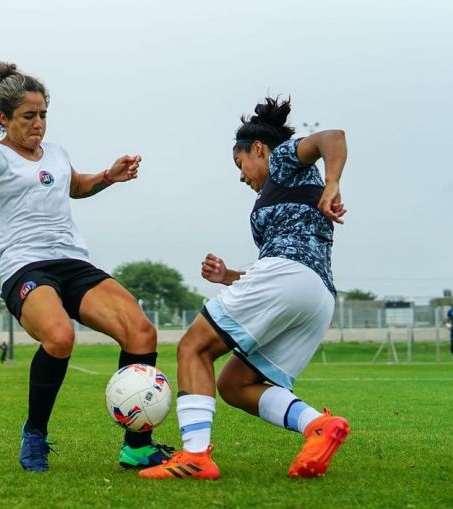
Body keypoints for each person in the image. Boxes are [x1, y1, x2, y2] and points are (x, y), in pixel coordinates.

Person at [0, 60, 169, 472]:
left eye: (42, 114)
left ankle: (137, 446)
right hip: (25, 267)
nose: (38, 123)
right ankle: (35, 434)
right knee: (59, 337)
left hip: (73, 261)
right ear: (3, 117)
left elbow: (75, 186)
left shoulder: (56, 153)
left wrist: (108, 176)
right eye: (28, 116)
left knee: (141, 331)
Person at [140, 97, 350, 480]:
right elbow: (285, 264)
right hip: (316, 295)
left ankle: (195, 457)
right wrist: (229, 276)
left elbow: (332, 137)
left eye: (241, 164)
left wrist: (333, 182)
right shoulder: (281, 189)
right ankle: (316, 427)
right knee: (235, 384)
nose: (241, 175)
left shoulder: (284, 162)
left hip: (289, 277)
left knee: (194, 347)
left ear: (258, 149)